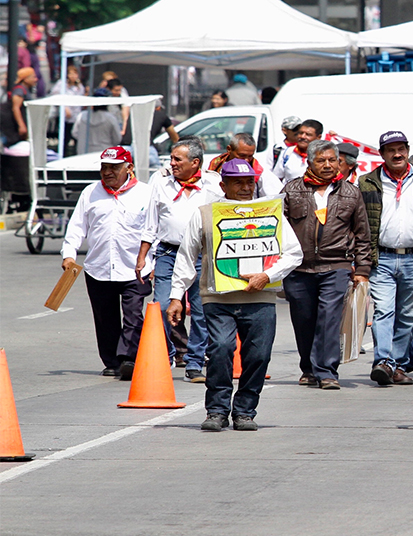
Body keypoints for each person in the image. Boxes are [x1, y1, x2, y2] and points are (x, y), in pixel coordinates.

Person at [167, 158, 303, 432]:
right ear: (223, 184)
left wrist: (268, 276)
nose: (244, 187)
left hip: (260, 298)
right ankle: (216, 410)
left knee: (258, 356)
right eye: (237, 182)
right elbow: (186, 255)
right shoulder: (205, 214)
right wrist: (176, 296)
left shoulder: (269, 213)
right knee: (219, 350)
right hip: (218, 298)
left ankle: (245, 411)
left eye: (249, 182)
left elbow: (293, 253)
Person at [281, 139, 371, 390]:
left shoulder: (351, 192)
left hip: (336, 265)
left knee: (329, 318)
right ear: (309, 162)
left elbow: (363, 234)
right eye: (321, 160)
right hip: (298, 268)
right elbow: (279, 229)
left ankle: (327, 370)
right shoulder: (291, 190)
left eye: (333, 160)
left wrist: (362, 269)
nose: (328, 165)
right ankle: (308, 368)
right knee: (304, 319)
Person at [61, 147, 154, 379]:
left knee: (134, 315)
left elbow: (154, 230)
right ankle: (111, 360)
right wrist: (69, 254)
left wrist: (151, 261)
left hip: (135, 268)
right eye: (104, 167)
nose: (108, 172)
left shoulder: (146, 193)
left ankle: (128, 359)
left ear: (128, 168)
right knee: (104, 317)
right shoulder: (90, 193)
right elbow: (76, 227)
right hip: (99, 267)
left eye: (114, 167)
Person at [136, 137, 223, 381]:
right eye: (171, 158)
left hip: (202, 255)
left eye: (177, 159)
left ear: (195, 163)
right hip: (168, 253)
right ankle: (170, 353)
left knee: (200, 311)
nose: (172, 163)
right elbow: (150, 224)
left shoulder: (213, 186)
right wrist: (143, 257)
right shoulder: (161, 184)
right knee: (163, 306)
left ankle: (195, 362)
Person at [359, 130, 413, 387]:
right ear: (382, 154)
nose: (397, 154)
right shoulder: (367, 182)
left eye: (401, 148)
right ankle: (383, 361)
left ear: (406, 150)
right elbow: (359, 224)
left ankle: (392, 364)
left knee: (408, 316)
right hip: (381, 257)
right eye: (390, 150)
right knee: (383, 311)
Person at [208, 133, 284, 198]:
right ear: (229, 149)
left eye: (250, 156)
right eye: (242, 155)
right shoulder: (213, 167)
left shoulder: (260, 173)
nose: (247, 160)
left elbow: (277, 197)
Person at [273, 119, 321, 184]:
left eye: (308, 134)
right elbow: (276, 180)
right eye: (301, 133)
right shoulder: (287, 153)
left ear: (318, 137)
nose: (303, 137)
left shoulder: (324, 156)